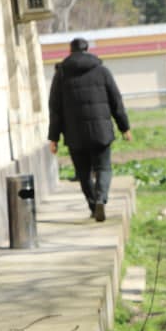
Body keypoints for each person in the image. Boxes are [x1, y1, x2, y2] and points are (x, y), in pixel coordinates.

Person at [48, 37, 132, 223]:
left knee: (84, 173)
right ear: (87, 49)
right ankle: (101, 198)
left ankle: (94, 206)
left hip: (74, 135)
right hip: (101, 132)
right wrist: (124, 127)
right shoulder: (102, 71)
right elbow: (116, 101)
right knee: (104, 168)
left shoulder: (61, 74)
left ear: (70, 51)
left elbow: (55, 108)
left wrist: (54, 138)